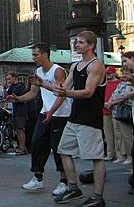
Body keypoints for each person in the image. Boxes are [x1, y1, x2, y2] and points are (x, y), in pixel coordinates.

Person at [6, 43, 70, 196]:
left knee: (57, 148)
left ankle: (64, 181)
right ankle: (37, 178)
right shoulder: (38, 71)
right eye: (33, 55)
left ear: (45, 55)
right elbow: (33, 93)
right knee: (37, 143)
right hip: (45, 112)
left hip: (59, 114)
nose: (33, 58)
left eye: (35, 55)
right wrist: (17, 98)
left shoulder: (58, 71)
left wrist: (52, 111)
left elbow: (61, 94)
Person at [53, 31, 106, 206]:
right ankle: (73, 188)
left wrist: (66, 92)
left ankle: (98, 197)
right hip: (74, 118)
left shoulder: (96, 66)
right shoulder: (76, 66)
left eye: (81, 42)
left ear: (91, 45)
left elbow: (89, 92)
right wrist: (42, 84)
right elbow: (63, 87)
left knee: (96, 158)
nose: (76, 45)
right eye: (76, 42)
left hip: (90, 118)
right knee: (63, 150)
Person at [105, 66, 133, 165]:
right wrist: (110, 102)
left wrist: (111, 103)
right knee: (118, 135)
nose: (124, 75)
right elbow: (114, 95)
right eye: (123, 73)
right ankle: (120, 155)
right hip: (116, 112)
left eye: (126, 73)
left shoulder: (129, 85)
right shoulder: (121, 84)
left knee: (126, 136)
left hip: (125, 112)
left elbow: (124, 96)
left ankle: (129, 156)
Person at [5, 72, 28, 155]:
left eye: (9, 78)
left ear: (14, 78)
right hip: (15, 110)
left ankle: (22, 147)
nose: (8, 80)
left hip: (21, 110)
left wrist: (12, 97)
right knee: (17, 130)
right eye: (7, 79)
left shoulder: (19, 86)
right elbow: (8, 94)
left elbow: (15, 96)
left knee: (20, 129)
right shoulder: (12, 87)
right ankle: (21, 146)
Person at [103, 66, 121, 161]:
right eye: (106, 73)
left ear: (114, 73)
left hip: (116, 111)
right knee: (108, 134)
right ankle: (110, 154)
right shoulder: (104, 84)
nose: (108, 75)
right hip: (105, 111)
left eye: (109, 73)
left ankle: (120, 155)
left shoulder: (119, 83)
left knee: (118, 134)